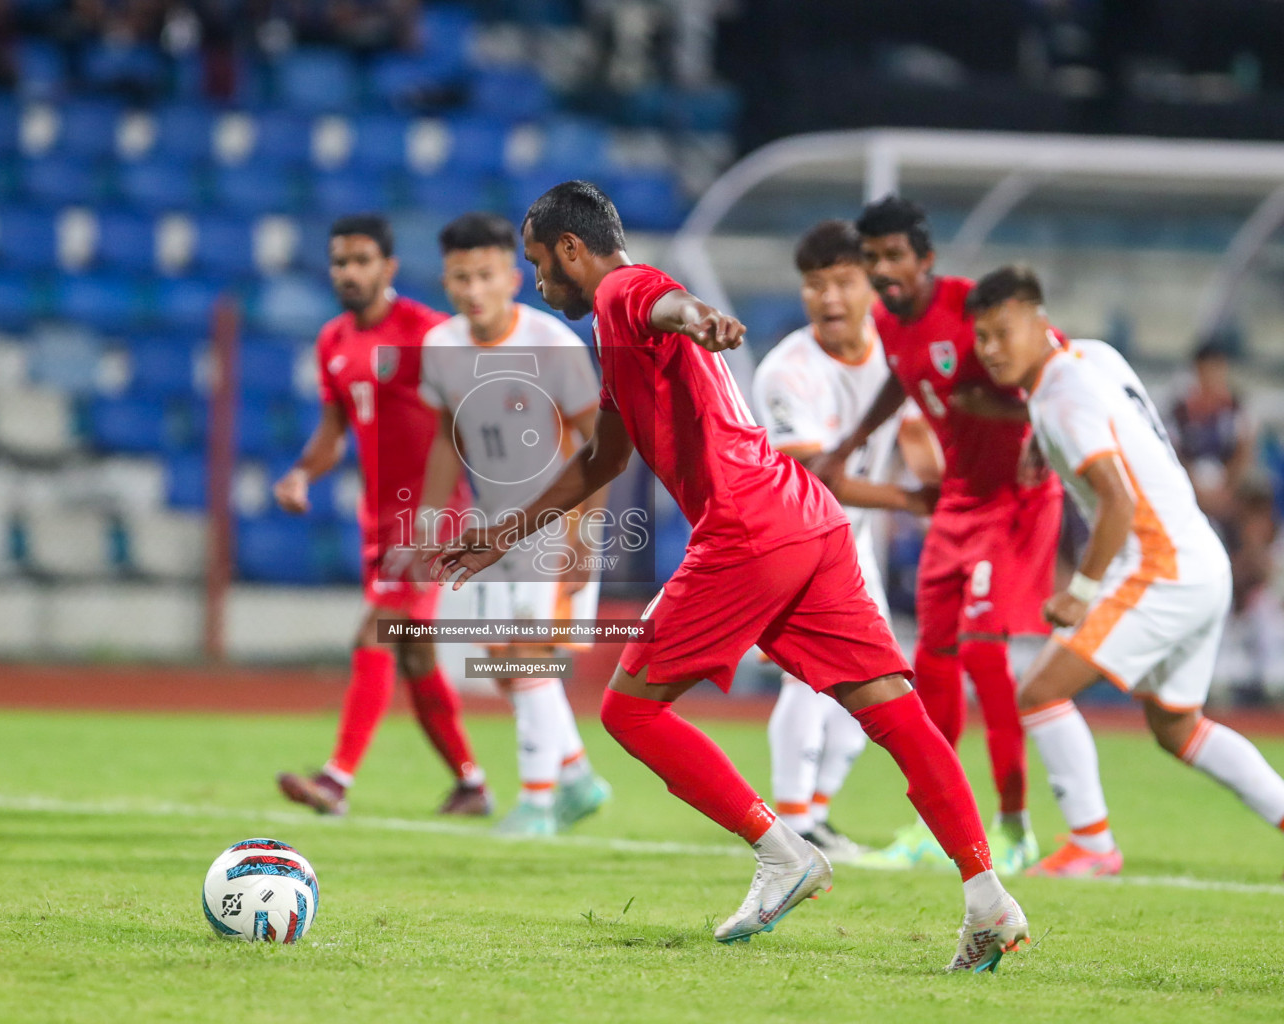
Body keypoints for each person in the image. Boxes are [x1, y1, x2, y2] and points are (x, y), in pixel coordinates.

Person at [431, 181, 1029, 972]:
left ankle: (781, 852)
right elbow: (605, 458)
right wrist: (503, 530)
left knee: (629, 710)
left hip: (747, 528)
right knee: (891, 708)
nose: (541, 282)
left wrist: (700, 317)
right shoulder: (619, 338)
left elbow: (665, 302)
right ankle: (989, 898)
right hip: (806, 516)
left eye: (540, 265)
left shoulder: (622, 292)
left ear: (573, 251)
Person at [970, 265, 1284, 876]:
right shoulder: (1094, 355)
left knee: (1038, 693)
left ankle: (1091, 843)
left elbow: (1116, 500)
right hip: (1200, 556)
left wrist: (1080, 592)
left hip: (1160, 567)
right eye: (981, 338)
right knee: (1177, 727)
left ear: (1038, 324)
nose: (990, 350)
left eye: (1002, 333)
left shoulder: (1060, 399)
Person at [819, 196, 1058, 874]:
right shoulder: (891, 325)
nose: (883, 270)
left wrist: (1039, 428)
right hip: (958, 501)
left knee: (985, 657)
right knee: (930, 663)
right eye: (872, 259)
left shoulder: (969, 305)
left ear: (925, 259)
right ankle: (938, 826)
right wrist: (854, 441)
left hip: (1013, 501)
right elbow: (903, 377)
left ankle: (1014, 827)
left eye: (894, 256)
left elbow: (1054, 355)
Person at [274, 214, 490, 818]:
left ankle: (337, 780)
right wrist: (300, 473)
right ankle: (471, 784)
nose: (349, 272)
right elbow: (333, 432)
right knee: (415, 654)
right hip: (378, 520)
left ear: (388, 268)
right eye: (340, 261)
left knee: (377, 632)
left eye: (362, 260)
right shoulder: (333, 342)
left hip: (433, 517)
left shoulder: (429, 333)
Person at [416, 212, 612, 836]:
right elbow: (449, 437)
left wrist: (585, 539)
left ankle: (536, 803)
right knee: (501, 663)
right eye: (458, 277)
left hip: (555, 526)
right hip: (492, 527)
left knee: (528, 656)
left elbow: (600, 443)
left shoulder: (552, 345)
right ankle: (577, 777)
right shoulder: (440, 348)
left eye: (484, 274)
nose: (472, 289)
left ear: (512, 276)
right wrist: (428, 516)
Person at [749, 220, 939, 863]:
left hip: (853, 552)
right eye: (814, 284)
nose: (829, 298)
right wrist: (913, 501)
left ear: (869, 285)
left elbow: (912, 433)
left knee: (881, 682)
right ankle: (795, 824)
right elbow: (811, 479)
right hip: (789, 545)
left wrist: (945, 483)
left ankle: (816, 813)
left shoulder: (892, 350)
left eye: (842, 282)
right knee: (806, 681)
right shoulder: (787, 371)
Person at [1168, 339, 1256, 534]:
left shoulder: (1236, 410)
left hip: (1227, 491)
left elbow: (1244, 452)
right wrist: (1194, 488)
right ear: (1196, 371)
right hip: (1189, 488)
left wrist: (1228, 489)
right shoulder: (1179, 412)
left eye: (1215, 371)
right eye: (1204, 371)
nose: (1209, 378)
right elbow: (1173, 453)